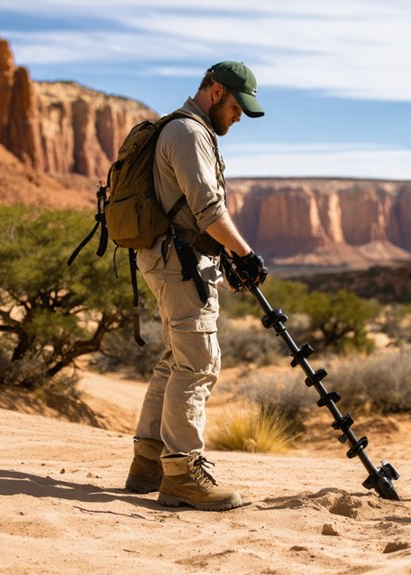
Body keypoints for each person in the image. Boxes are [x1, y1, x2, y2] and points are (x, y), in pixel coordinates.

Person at [124, 61, 268, 511]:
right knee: (198, 362)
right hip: (176, 261)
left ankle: (148, 462)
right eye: (237, 106)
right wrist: (246, 254)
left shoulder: (186, 129)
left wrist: (222, 252)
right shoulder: (188, 133)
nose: (239, 116)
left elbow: (192, 211)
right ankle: (183, 473)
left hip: (172, 257)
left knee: (175, 358)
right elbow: (207, 208)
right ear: (216, 90)